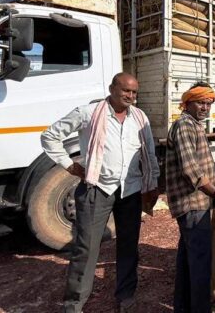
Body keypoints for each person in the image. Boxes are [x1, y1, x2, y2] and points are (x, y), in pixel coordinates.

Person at [41, 73, 161, 313]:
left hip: (130, 190)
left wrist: (153, 183)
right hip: (97, 189)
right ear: (111, 88)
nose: (130, 96)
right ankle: (74, 304)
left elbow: (149, 152)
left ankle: (126, 295)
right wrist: (70, 166)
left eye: (134, 92)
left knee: (128, 245)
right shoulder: (88, 113)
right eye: (126, 90)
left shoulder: (139, 117)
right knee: (86, 248)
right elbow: (50, 136)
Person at [166, 82, 215, 313]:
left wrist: (214, 192)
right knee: (200, 265)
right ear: (187, 103)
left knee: (188, 262)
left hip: (197, 202)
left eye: (208, 103)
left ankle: (183, 307)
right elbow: (191, 170)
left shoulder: (194, 125)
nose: (205, 108)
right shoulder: (185, 125)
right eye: (200, 103)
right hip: (192, 204)